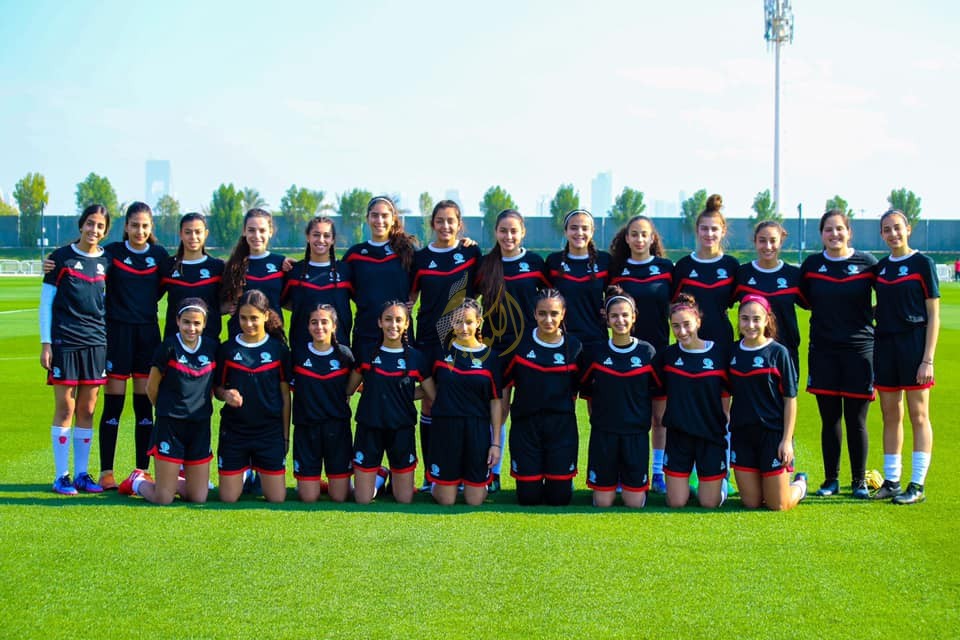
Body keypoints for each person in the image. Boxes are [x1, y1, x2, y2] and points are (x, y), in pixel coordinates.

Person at [800, 209, 877, 499]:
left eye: (839, 229)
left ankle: (858, 481)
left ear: (849, 232)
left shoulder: (867, 263)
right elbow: (803, 299)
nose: (834, 234)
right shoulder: (812, 265)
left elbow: (889, 296)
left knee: (856, 420)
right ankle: (830, 480)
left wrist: (869, 317)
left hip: (860, 351)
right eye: (828, 230)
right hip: (823, 351)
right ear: (821, 235)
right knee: (829, 419)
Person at [92, 202, 169, 489]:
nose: (139, 230)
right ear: (126, 226)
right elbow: (85, 253)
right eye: (134, 225)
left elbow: (162, 288)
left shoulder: (159, 256)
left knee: (144, 407)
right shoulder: (112, 253)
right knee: (113, 404)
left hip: (147, 335)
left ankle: (141, 471)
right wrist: (55, 261)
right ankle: (106, 472)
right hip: (117, 334)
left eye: (145, 226)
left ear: (151, 228)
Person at [476, 209, 549, 493]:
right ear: (495, 232)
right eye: (503, 231)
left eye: (513, 231)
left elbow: (553, 300)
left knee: (531, 409)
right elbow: (467, 300)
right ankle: (492, 472)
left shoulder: (535, 263)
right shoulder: (486, 265)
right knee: (499, 410)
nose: (508, 236)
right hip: (497, 349)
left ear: (523, 233)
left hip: (531, 349)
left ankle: (540, 469)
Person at [40, 204, 111, 495]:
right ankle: (62, 476)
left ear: (105, 231)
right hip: (65, 342)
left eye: (100, 226)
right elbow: (46, 303)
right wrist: (46, 343)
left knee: (88, 409)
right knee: (66, 407)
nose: (94, 230)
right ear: (81, 225)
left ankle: (82, 474)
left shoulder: (107, 261)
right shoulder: (60, 259)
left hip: (96, 342)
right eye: (90, 223)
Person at [410, 200, 481, 491]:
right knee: (430, 402)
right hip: (429, 338)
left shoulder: (471, 253)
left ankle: (464, 472)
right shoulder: (420, 258)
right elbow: (410, 299)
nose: (445, 226)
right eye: (440, 220)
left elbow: (480, 293)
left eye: (451, 221)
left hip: (462, 339)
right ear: (432, 224)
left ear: (459, 224)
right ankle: (431, 474)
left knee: (462, 403)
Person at [119, 298, 217, 504]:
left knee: (198, 498)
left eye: (197, 323)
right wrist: (166, 411)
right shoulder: (168, 347)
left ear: (204, 324)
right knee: (163, 498)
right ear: (178, 321)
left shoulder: (211, 348)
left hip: (199, 426)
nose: (191, 328)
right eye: (186, 322)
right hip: (170, 426)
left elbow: (211, 387)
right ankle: (137, 481)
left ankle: (172, 483)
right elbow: (151, 387)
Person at [872, 210, 939, 504]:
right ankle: (892, 481)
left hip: (914, 346)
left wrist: (928, 359)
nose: (893, 234)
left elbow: (933, 314)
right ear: (881, 234)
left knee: (918, 414)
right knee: (890, 414)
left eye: (897, 228)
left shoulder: (922, 263)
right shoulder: (881, 268)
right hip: (885, 346)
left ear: (908, 229)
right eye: (887, 229)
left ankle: (917, 484)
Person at [580, 287, 663, 508]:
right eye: (614, 316)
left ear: (634, 317)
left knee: (634, 503)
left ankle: (632, 484)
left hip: (635, 435)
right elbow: (587, 393)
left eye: (625, 315)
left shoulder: (647, 353)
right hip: (603, 435)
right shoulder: (596, 353)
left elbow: (657, 394)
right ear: (606, 319)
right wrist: (600, 420)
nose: (620, 320)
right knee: (603, 502)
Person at [608, 214, 673, 494]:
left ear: (652, 238)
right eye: (633, 234)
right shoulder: (617, 269)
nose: (639, 239)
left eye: (644, 234)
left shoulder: (666, 268)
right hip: (624, 353)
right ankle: (622, 472)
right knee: (626, 417)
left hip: (658, 353)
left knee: (659, 418)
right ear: (626, 238)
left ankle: (658, 472)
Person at [347, 301, 435, 504]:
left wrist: (402, 393)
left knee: (404, 499)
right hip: (369, 428)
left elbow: (431, 392)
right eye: (388, 319)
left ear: (406, 324)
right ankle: (380, 475)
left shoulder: (416, 358)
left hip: (402, 429)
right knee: (362, 499)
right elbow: (350, 388)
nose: (393, 325)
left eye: (398, 320)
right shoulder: (366, 353)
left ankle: (390, 476)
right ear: (380, 322)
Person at [728, 294, 807, 510]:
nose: (750, 325)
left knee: (778, 505)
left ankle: (800, 484)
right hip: (742, 434)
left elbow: (790, 399)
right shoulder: (732, 352)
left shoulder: (779, 353)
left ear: (767, 320)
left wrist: (786, 441)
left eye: (756, 319)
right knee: (751, 503)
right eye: (745, 319)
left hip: (772, 435)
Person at [504, 289, 583, 506]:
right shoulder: (520, 345)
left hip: (561, 428)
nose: (548, 320)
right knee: (528, 498)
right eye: (542, 313)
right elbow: (505, 387)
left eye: (554, 313)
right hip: (526, 427)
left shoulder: (575, 347)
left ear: (563, 314)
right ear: (534, 314)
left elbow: (578, 388)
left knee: (559, 499)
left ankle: (561, 479)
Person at [214, 289, 291, 503]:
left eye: (254, 318)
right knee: (229, 498)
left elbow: (285, 397)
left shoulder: (279, 350)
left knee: (276, 498)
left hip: (269, 433)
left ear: (266, 316)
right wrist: (225, 394)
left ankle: (255, 471)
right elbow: (217, 388)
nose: (248, 324)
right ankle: (244, 472)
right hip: (235, 432)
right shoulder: (227, 350)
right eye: (243, 318)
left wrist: (285, 437)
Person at [656, 294, 730, 508]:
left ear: (698, 321)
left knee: (709, 504)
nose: (682, 331)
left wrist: (721, 420)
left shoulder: (718, 353)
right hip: (679, 437)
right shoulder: (667, 357)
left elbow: (726, 394)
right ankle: (688, 486)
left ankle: (721, 485)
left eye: (687, 324)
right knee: (676, 502)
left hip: (710, 436)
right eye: (676, 326)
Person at [427, 299, 502, 506]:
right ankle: (439, 484)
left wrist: (495, 443)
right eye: (458, 322)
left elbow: (496, 401)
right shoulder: (440, 353)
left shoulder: (491, 358)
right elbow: (426, 385)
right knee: (446, 501)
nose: (464, 328)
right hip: (446, 426)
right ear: (451, 322)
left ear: (478, 322)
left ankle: (472, 482)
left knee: (474, 501)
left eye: (469, 322)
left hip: (477, 428)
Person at [289, 304, 355, 503]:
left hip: (337, 429)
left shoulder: (345, 355)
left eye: (324, 322)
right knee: (308, 498)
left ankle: (378, 476)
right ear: (308, 326)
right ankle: (315, 482)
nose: (319, 327)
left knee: (339, 497)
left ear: (334, 326)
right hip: (306, 429)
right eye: (314, 322)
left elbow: (355, 386)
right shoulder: (298, 355)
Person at [343, 196, 418, 363]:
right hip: (366, 331)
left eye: (384, 216)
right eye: (375, 215)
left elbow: (424, 277)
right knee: (365, 378)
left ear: (393, 219)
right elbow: (340, 285)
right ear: (367, 218)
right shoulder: (355, 254)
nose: (379, 220)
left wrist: (411, 300)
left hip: (399, 331)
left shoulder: (407, 250)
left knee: (402, 378)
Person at [734, 221, 806, 379]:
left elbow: (815, 304)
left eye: (773, 240)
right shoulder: (742, 274)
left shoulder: (793, 275)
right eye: (762, 240)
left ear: (781, 241)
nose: (767, 246)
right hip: (749, 353)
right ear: (755, 241)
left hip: (786, 352)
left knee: (787, 394)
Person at [282, 216, 353, 359]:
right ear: (307, 237)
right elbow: (282, 301)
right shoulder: (294, 272)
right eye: (316, 235)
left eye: (326, 235)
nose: (321, 240)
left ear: (333, 239)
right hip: (302, 349)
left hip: (339, 348)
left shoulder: (346, 271)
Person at [672, 194, 739, 345]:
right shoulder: (683, 266)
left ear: (723, 231)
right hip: (689, 340)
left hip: (722, 340)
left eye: (714, 229)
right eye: (704, 229)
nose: (709, 234)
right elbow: (672, 305)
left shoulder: (731, 265)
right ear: (697, 230)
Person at [545, 209, 610, 353]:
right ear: (565, 231)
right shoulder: (553, 262)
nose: (579, 233)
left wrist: (609, 309)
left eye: (585, 228)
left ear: (592, 232)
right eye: (574, 228)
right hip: (561, 340)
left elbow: (615, 294)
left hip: (596, 339)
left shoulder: (605, 261)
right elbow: (544, 298)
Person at [221, 208, 288, 338]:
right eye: (251, 230)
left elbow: (290, 301)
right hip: (239, 336)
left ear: (270, 232)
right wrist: (230, 306)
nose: (257, 235)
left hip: (273, 336)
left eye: (262, 230)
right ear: (244, 231)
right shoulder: (233, 266)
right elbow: (223, 303)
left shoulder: (281, 264)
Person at [160, 212, 225, 341]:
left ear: (206, 234)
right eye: (188, 232)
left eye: (198, 232)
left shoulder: (217, 267)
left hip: (209, 342)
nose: (193, 237)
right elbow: (151, 297)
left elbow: (226, 302)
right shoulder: (167, 267)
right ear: (180, 234)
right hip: (175, 342)